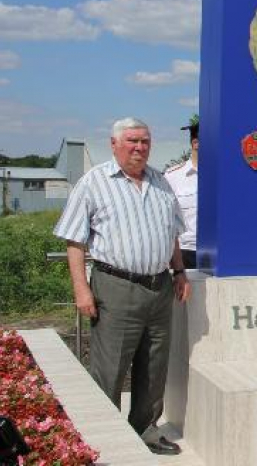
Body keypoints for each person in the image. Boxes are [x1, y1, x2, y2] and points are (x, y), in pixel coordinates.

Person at [54, 117, 191, 455]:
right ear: (114, 144)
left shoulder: (161, 182)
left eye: (145, 141)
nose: (139, 147)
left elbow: (172, 233)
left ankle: (146, 429)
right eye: (132, 141)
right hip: (115, 286)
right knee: (110, 367)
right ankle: (103, 436)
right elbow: (75, 241)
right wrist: (81, 291)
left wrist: (179, 272)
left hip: (159, 288)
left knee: (153, 364)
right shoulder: (94, 183)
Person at [164, 121, 198, 269]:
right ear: (195, 143)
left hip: (221, 251)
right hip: (185, 252)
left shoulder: (226, 176)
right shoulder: (173, 176)